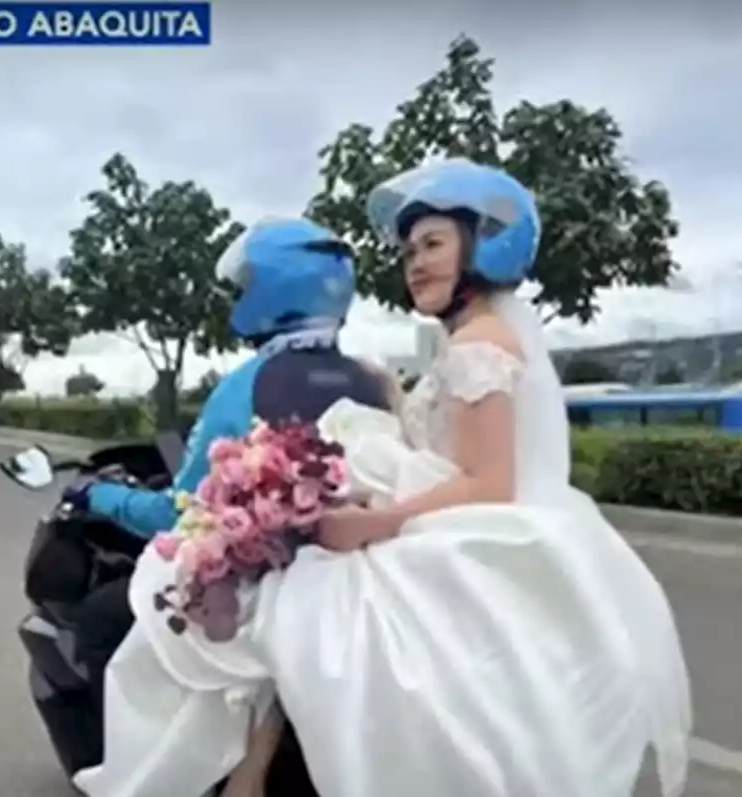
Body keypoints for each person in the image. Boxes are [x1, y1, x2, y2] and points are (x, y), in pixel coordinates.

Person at [76, 161, 692, 797]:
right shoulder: (466, 342)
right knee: (290, 592)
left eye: (432, 245)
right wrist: (394, 397)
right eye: (408, 252)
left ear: (484, 247)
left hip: (461, 522)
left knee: (290, 601)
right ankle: (253, 772)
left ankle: (249, 775)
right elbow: (448, 440)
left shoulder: (482, 343)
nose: (415, 264)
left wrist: (374, 520)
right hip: (448, 511)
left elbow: (488, 480)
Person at [71, 217, 391, 796]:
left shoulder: (250, 383)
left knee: (99, 619)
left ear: (270, 290)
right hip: (354, 582)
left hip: (260, 586)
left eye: (243, 287)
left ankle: (137, 772)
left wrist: (98, 494)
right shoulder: (369, 380)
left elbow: (179, 513)